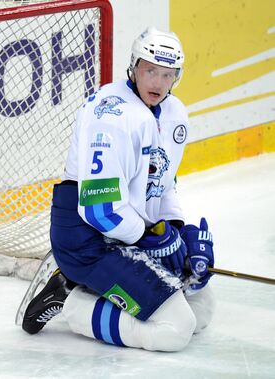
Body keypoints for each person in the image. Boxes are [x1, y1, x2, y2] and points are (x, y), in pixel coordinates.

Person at [20, 27, 215, 352]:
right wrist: (149, 239)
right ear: (134, 66)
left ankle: (96, 290)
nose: (157, 82)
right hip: (88, 239)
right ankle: (72, 300)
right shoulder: (110, 116)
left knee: (202, 309)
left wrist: (178, 232)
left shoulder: (174, 113)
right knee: (176, 330)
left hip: (131, 231)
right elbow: (100, 210)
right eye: (150, 70)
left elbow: (162, 183)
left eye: (167, 75)